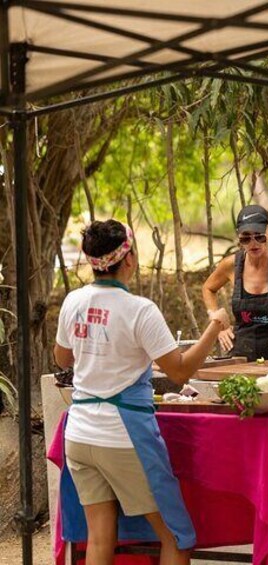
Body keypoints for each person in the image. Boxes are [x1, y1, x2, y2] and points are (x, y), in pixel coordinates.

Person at [53, 220, 231, 564]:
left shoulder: (73, 301)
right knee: (176, 537)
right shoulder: (140, 310)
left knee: (101, 538)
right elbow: (179, 371)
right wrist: (214, 327)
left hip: (78, 433)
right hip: (122, 436)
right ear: (129, 259)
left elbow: (63, 357)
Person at [202, 204, 268, 361]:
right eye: (246, 238)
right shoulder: (231, 265)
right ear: (239, 237)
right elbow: (208, 288)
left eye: (259, 236)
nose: (253, 243)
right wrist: (217, 324)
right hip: (241, 357)